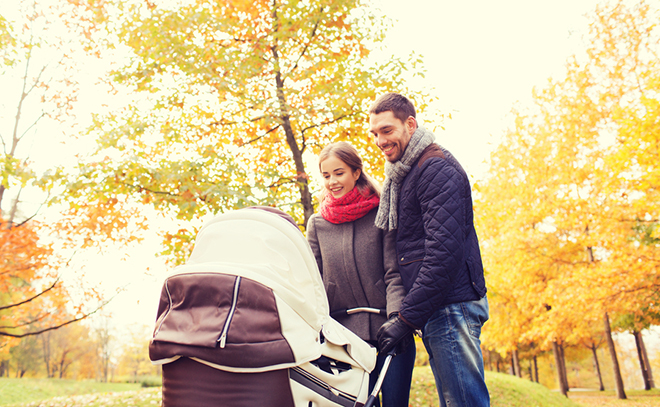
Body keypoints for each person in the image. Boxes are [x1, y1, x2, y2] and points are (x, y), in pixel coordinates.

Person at [369, 93, 490, 407]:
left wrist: (406, 319)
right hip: (440, 306)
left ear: (410, 124)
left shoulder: (434, 169)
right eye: (375, 134)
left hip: (452, 306)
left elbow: (443, 253)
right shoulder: (408, 172)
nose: (380, 140)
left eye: (387, 130)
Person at [306, 141, 415, 407]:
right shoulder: (317, 224)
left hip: (387, 332)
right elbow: (312, 283)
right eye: (327, 175)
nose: (332, 181)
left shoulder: (381, 214)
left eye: (339, 172)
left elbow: (394, 274)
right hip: (341, 340)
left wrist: (397, 321)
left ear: (356, 172)